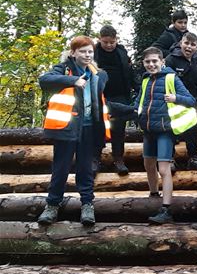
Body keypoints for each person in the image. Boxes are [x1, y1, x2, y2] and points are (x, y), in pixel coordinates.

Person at [37, 35, 111, 226]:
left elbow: (101, 102)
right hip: (66, 129)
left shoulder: (97, 74)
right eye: (83, 51)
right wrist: (73, 80)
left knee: (86, 169)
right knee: (60, 168)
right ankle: (52, 205)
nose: (87, 55)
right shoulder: (64, 69)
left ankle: (87, 204)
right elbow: (44, 80)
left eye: (90, 52)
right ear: (73, 52)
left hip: (89, 129)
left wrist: (131, 110)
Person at [133, 47, 196, 225]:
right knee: (148, 163)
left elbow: (191, 100)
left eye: (154, 61)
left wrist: (176, 98)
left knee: (163, 169)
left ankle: (166, 209)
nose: (151, 64)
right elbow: (139, 102)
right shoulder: (145, 80)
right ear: (144, 64)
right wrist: (133, 112)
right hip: (148, 130)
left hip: (165, 131)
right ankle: (154, 194)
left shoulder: (171, 78)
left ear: (162, 62)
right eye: (147, 62)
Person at [165, 32, 197, 172]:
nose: (189, 47)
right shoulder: (171, 59)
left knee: (192, 129)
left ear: (196, 46)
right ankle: (170, 159)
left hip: (192, 102)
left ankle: (194, 158)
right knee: (171, 129)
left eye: (192, 45)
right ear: (181, 43)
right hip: (173, 102)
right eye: (186, 43)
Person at [94, 25, 133, 175]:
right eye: (106, 42)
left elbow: (129, 72)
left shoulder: (122, 52)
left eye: (112, 42)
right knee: (98, 127)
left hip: (120, 95)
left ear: (116, 39)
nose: (109, 45)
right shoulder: (93, 52)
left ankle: (118, 159)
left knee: (118, 129)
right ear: (100, 40)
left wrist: (135, 88)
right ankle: (95, 159)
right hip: (100, 96)